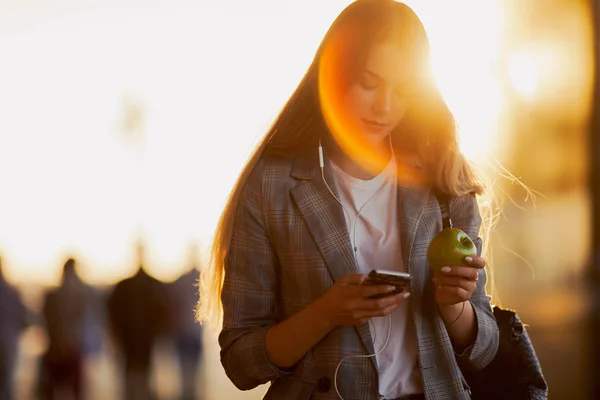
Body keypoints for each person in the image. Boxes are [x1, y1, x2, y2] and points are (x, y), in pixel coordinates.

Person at [197, 1, 499, 399]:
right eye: (370, 83)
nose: (385, 106)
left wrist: (453, 307)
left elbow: (485, 348)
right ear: (334, 74)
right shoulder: (271, 186)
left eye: (403, 90)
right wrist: (326, 313)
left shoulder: (443, 176)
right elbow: (240, 361)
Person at [0, 256, 28, 400]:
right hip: (9, 342)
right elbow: (24, 319)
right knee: (7, 384)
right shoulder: (12, 291)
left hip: (8, 340)